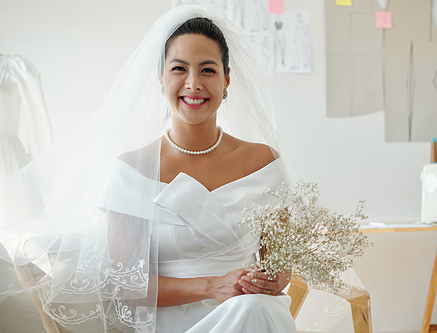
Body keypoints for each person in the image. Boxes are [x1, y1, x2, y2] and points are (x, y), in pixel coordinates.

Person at [0, 5, 299, 333]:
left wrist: (267, 282)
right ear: (161, 78)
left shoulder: (264, 162)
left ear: (227, 79)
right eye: (179, 69)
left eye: (208, 70)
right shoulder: (131, 172)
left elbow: (281, 266)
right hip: (172, 322)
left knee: (258, 308)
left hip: (252, 310)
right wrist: (212, 286)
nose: (193, 83)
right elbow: (128, 285)